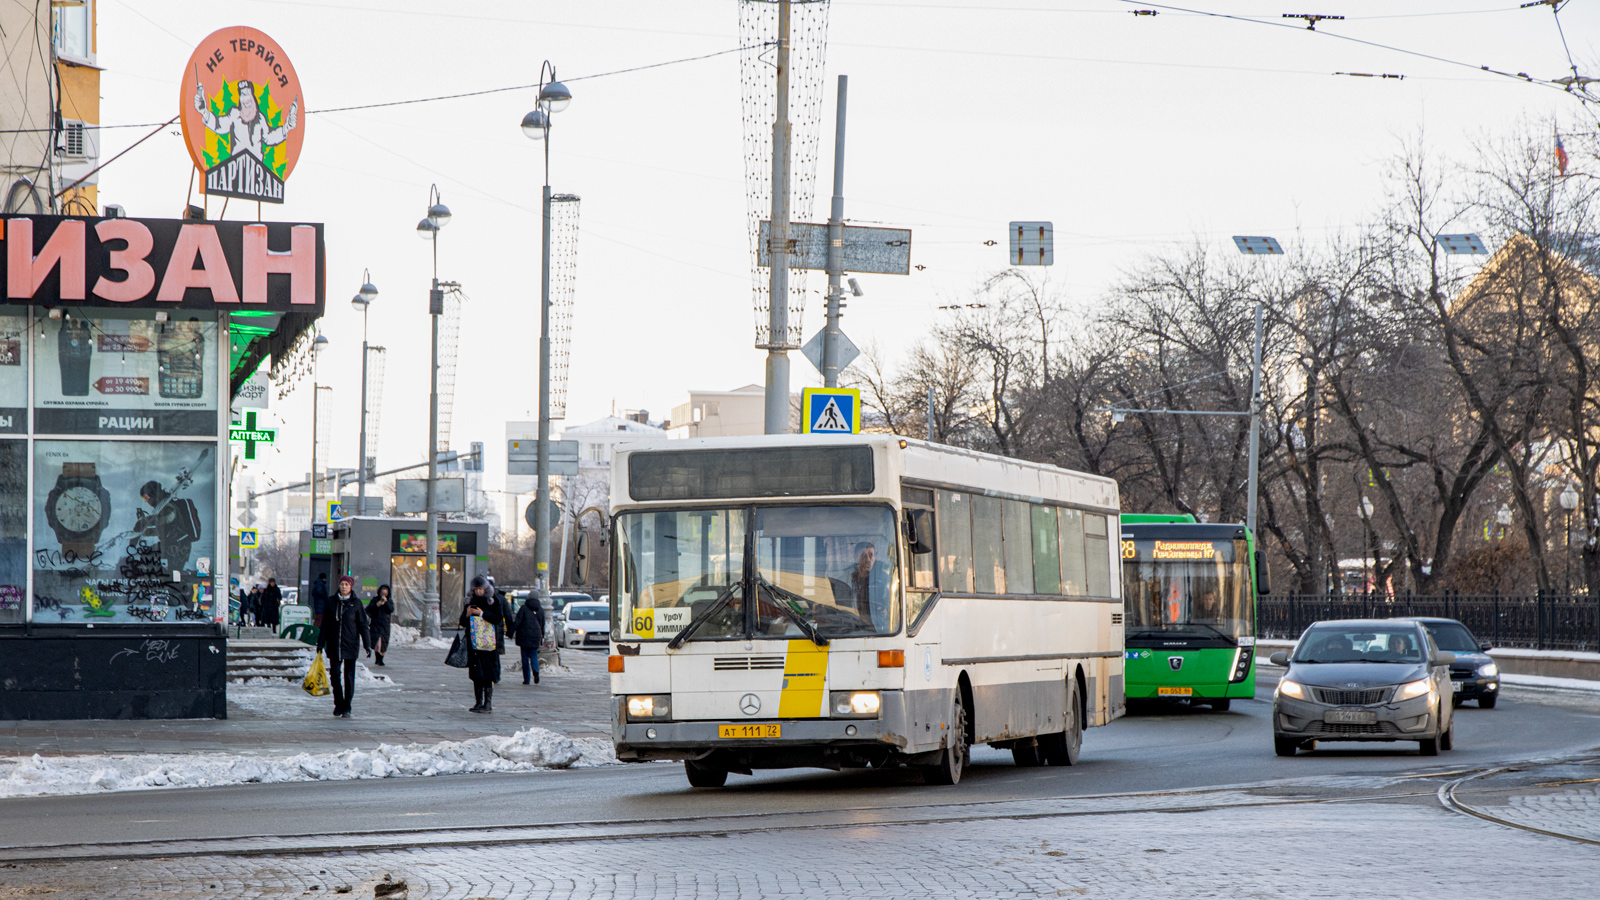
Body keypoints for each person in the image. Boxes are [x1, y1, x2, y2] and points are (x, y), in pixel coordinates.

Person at [316, 575, 371, 718]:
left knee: (349, 676)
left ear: (351, 586)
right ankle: (338, 703)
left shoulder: (356, 603)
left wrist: (367, 645)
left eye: (347, 584)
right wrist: (321, 643)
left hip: (350, 644)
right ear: (339, 586)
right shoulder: (331, 602)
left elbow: (363, 625)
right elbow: (325, 625)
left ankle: (347, 705)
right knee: (335, 675)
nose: (344, 587)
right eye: (342, 584)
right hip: (334, 644)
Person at [459, 575, 503, 713]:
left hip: (488, 644)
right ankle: (478, 702)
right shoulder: (470, 601)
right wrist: (467, 614)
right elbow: (462, 622)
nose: (479, 591)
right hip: (474, 643)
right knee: (476, 674)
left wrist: (481, 614)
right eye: (476, 589)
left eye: (481, 589)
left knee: (488, 673)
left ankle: (488, 703)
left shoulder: (492, 601)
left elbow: (497, 619)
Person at [510, 593, 546, 685]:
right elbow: (542, 625)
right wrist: (541, 636)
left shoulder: (524, 608)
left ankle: (526, 679)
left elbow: (518, 621)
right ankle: (535, 670)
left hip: (524, 636)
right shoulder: (541, 610)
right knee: (534, 655)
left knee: (525, 658)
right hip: (536, 636)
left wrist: (510, 631)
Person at [368, 583, 394, 666]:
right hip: (375, 624)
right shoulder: (375, 600)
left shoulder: (389, 601)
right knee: (377, 642)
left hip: (384, 625)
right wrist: (377, 604)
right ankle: (377, 659)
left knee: (383, 643)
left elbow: (390, 610)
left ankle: (381, 659)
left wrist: (386, 602)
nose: (383, 595)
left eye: (385, 594)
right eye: (382, 594)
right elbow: (368, 609)